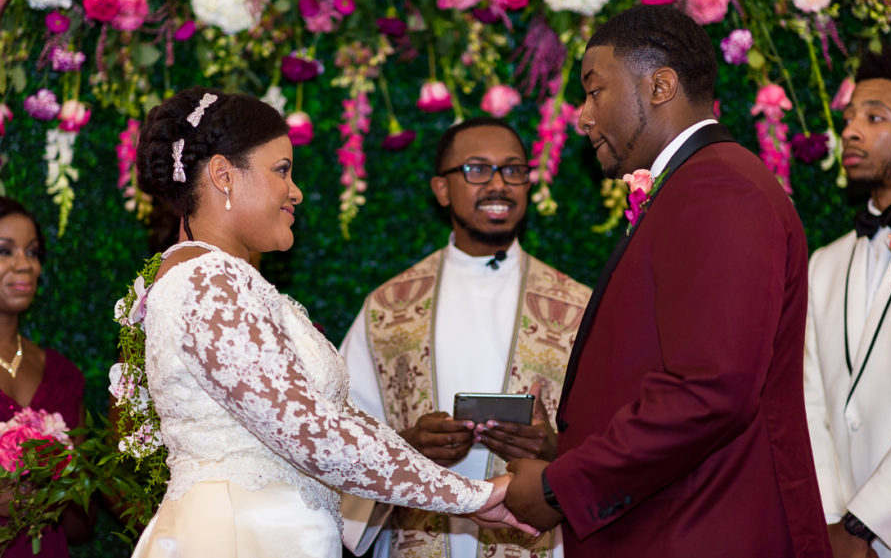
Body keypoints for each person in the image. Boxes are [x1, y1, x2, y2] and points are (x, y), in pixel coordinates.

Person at [127, 87, 533, 558]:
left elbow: (332, 420)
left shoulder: (223, 280)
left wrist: (461, 493)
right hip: (240, 537)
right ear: (223, 175)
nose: (295, 190)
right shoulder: (208, 280)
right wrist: (471, 496)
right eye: (281, 169)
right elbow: (314, 433)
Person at [502, 4, 832, 557]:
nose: (582, 117)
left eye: (594, 91)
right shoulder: (696, 186)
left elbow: (709, 390)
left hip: (703, 531)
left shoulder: (719, 189)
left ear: (659, 86)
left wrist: (563, 487)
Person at [340, 118, 591, 558]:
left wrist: (555, 451)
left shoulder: (576, 306)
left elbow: (618, 441)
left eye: (513, 170)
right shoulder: (389, 307)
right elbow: (341, 438)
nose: (499, 185)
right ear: (441, 189)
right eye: (477, 170)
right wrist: (408, 446)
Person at [804, 43, 891, 558]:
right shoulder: (824, 262)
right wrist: (832, 517)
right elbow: (810, 400)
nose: (851, 131)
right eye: (849, 118)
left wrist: (866, 520)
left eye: (875, 117)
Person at [0, 197, 91, 556]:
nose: (26, 264)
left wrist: (62, 491)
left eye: (33, 252)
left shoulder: (63, 376)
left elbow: (83, 526)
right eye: (5, 251)